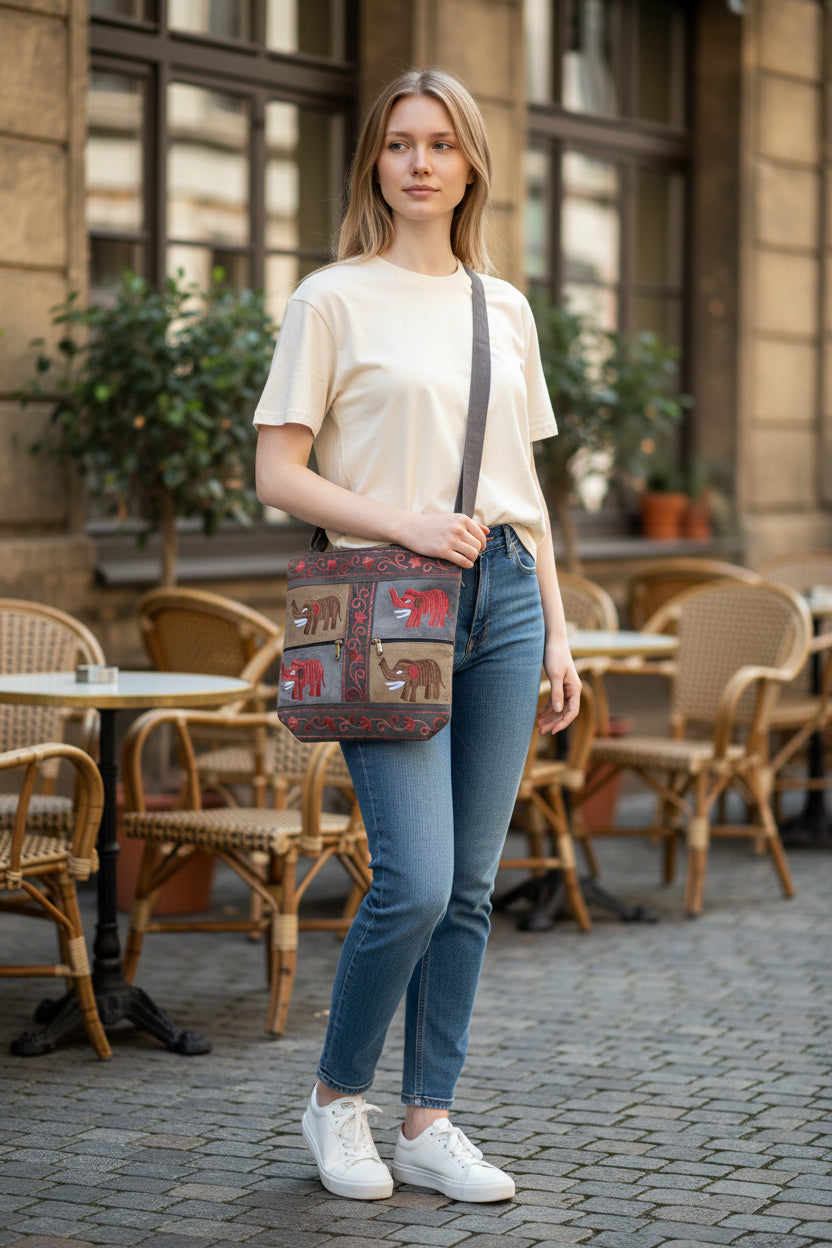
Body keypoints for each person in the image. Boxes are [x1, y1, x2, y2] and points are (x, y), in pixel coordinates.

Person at [253, 67, 581, 1204]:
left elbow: (523, 486)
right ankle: (335, 1102)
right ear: (375, 165)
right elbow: (276, 468)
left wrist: (559, 630)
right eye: (400, 144)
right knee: (416, 881)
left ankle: (429, 1118)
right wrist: (404, 523)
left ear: (472, 164)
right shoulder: (330, 299)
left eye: (442, 143)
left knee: (475, 884)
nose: (421, 163)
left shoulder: (503, 308)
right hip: (385, 602)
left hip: (503, 595)